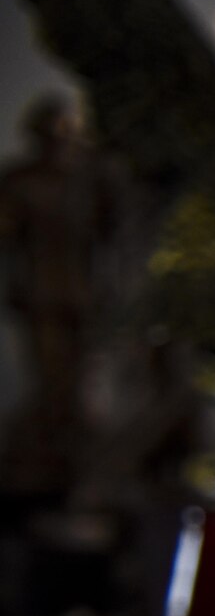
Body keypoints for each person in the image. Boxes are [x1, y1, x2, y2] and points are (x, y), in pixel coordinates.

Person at [0, 94, 117, 499]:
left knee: (79, 380)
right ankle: (44, 465)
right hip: (41, 295)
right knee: (52, 380)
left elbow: (109, 228)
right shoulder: (22, 181)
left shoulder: (84, 180)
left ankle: (76, 465)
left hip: (80, 293)